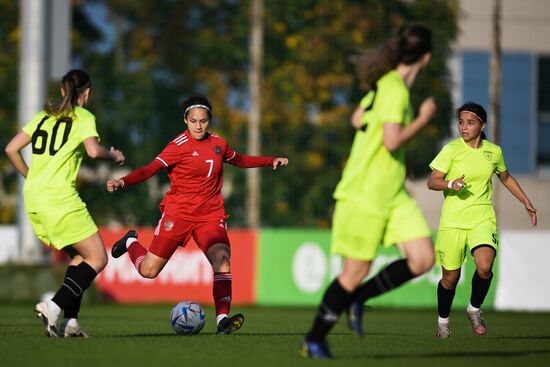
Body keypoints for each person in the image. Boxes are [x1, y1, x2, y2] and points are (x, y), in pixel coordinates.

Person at [301, 23, 437, 359]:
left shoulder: (383, 85)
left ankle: (359, 298)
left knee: (422, 259)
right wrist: (423, 119)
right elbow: (392, 141)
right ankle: (314, 339)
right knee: (354, 271)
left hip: (392, 194)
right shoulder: (395, 90)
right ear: (427, 58)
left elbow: (356, 117)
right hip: (365, 194)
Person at [106, 95, 289, 335]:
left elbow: (241, 160)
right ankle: (130, 242)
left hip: (210, 215)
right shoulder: (177, 146)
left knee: (222, 261)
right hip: (178, 213)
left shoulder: (219, 144)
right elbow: (149, 170)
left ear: (209, 120)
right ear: (186, 120)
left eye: (203, 121)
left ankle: (222, 320)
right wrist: (122, 181)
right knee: (148, 271)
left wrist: (270, 161)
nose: (199, 126)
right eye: (194, 121)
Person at [4, 69, 125, 337]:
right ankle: (54, 305)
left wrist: (31, 177)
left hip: (34, 197)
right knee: (98, 258)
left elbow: (10, 149)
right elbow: (94, 151)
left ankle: (71, 323)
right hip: (60, 198)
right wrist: (113, 154)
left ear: (62, 90)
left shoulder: (43, 116)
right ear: (87, 92)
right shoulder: (84, 117)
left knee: (79, 257)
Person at [427, 101, 537, 339]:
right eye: (461, 123)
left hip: (482, 217)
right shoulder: (451, 149)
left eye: (470, 123)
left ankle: (474, 309)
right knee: (450, 278)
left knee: (485, 266)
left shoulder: (493, 152)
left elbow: (506, 178)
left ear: (482, 125)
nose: (463, 127)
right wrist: (450, 184)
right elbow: (432, 181)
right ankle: (443, 322)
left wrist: (525, 201)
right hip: (453, 221)